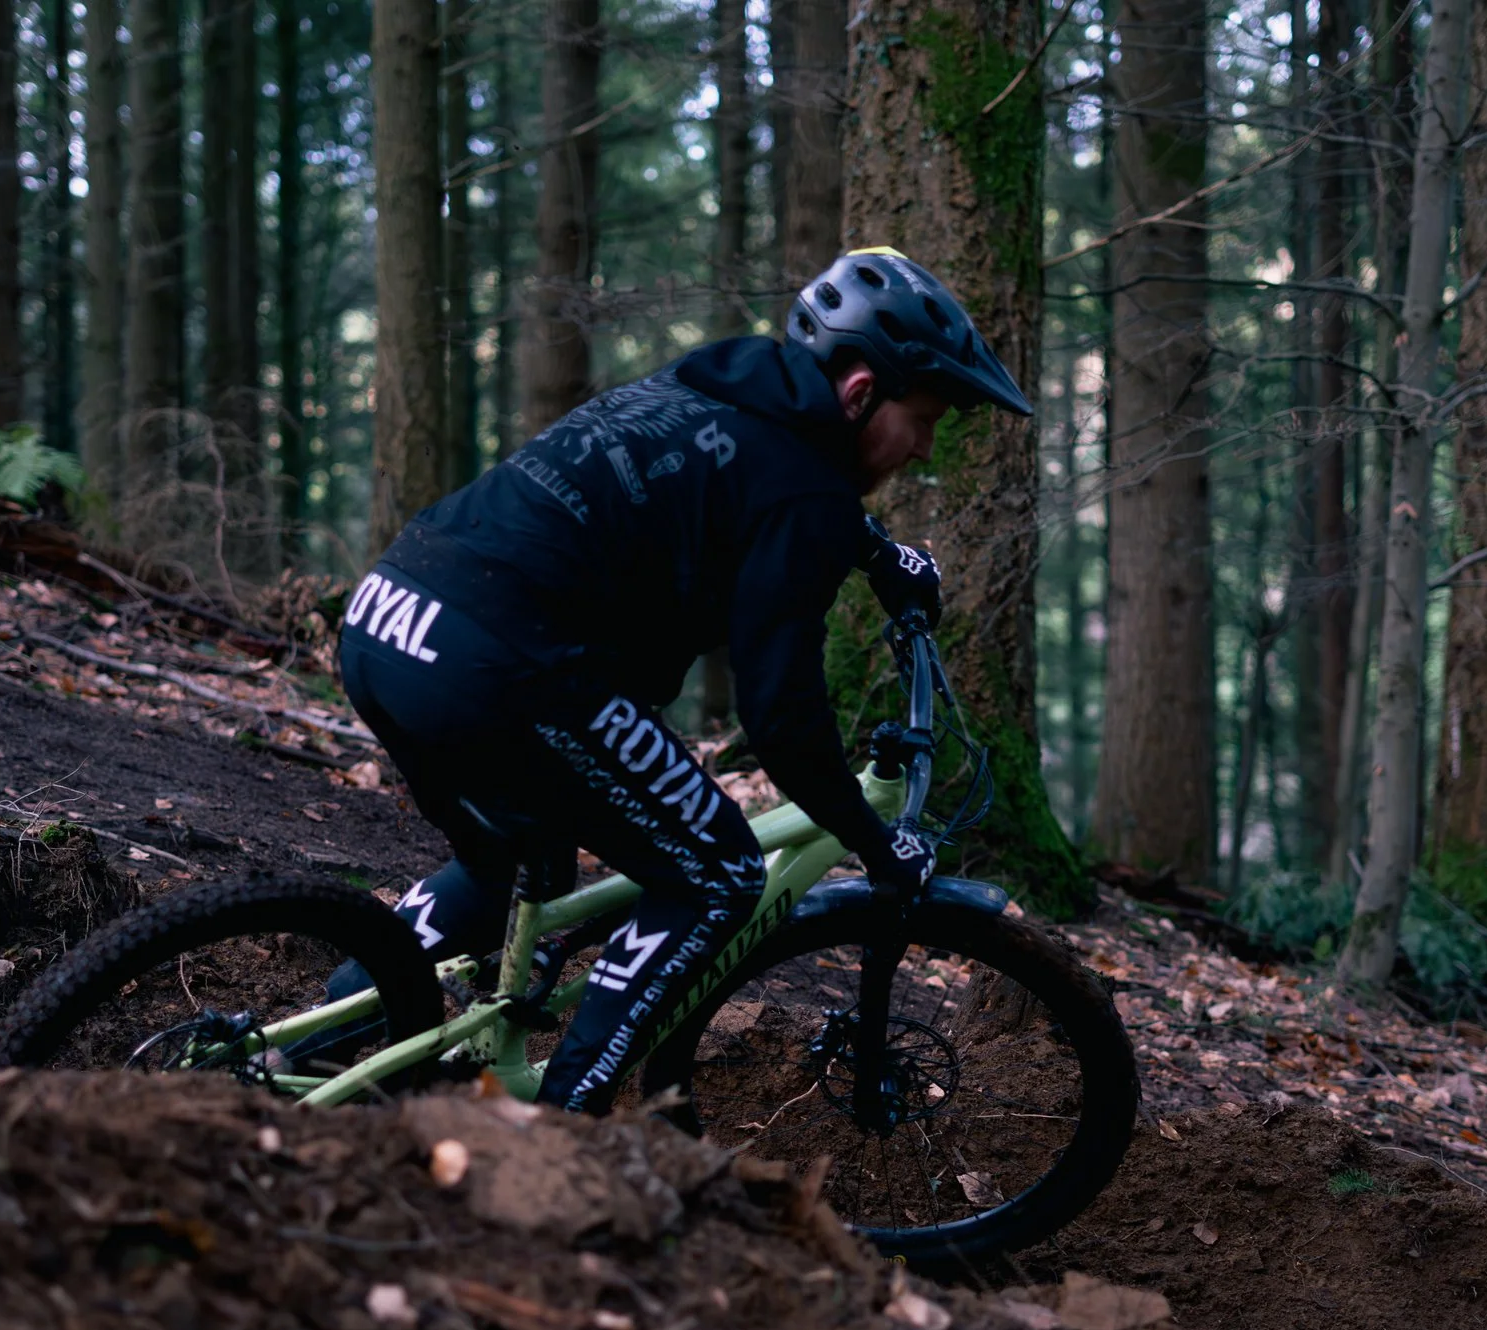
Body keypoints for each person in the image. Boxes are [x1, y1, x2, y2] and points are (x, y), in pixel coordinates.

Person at [324, 248, 1030, 1114]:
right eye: (921, 419)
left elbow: (745, 483)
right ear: (858, 393)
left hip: (389, 616)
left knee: (510, 860)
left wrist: (879, 553)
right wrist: (873, 841)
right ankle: (559, 1126)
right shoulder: (806, 493)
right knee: (721, 871)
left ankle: (321, 1040)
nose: (923, 448)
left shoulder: (724, 385)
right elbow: (781, 714)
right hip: (503, 662)